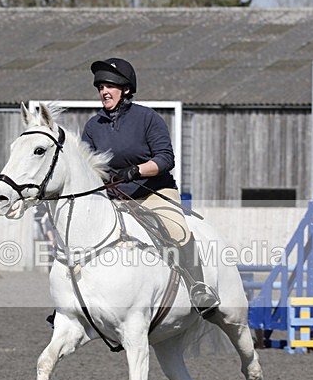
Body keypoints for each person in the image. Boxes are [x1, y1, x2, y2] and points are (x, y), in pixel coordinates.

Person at [81, 57, 220, 317]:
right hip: (114, 198)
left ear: (125, 90)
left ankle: (199, 288)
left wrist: (136, 170)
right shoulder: (92, 127)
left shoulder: (147, 118)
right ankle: (72, 304)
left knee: (175, 229)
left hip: (152, 192)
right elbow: (87, 167)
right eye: (100, 87)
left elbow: (166, 159)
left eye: (109, 86)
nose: (103, 92)